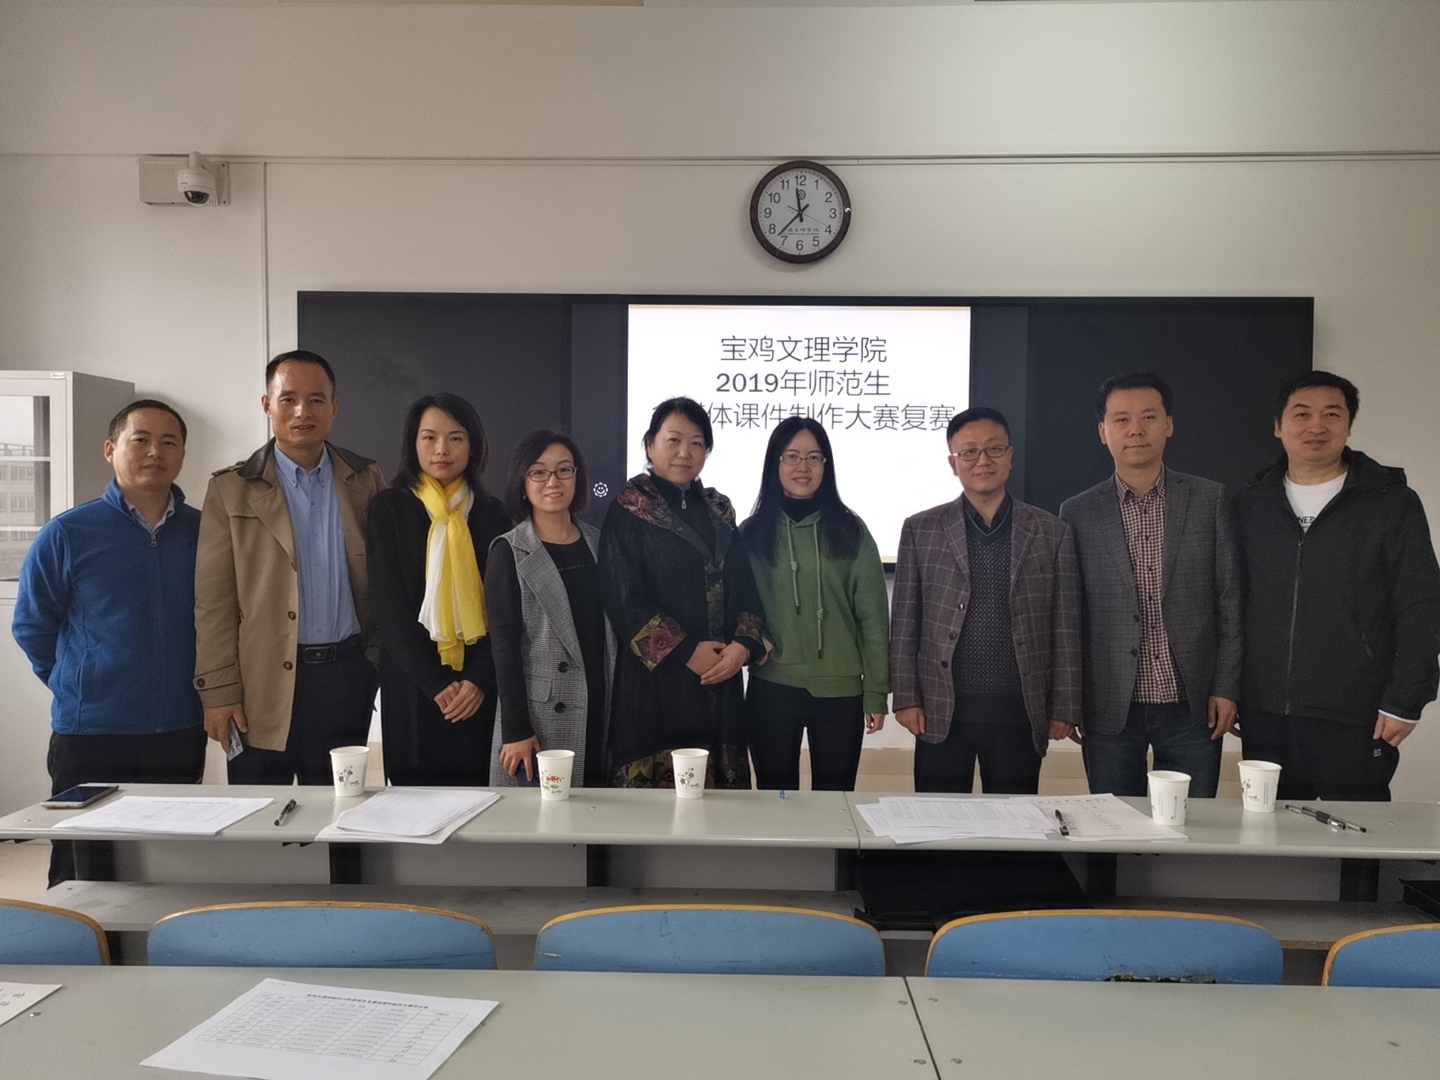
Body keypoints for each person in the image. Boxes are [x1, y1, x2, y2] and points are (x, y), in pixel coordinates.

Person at [13, 400, 205, 886]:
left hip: (179, 727)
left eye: (169, 442)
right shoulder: (68, 532)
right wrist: (77, 682)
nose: (155, 452)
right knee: (82, 868)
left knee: (170, 864)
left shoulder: (204, 532)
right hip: (91, 733)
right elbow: (32, 625)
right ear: (110, 449)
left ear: (182, 455)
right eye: (140, 439)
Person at [1233, 371, 1440, 801]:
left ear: (1348, 425)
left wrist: (1406, 699)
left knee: (1356, 832)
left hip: (1356, 712)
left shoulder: (1391, 503)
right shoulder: (1250, 503)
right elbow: (1231, 602)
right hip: (1265, 713)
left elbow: (1420, 604)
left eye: (1331, 414)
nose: (1317, 426)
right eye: (1302, 414)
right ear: (1278, 426)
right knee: (1273, 831)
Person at [194, 350, 385, 784]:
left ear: (334, 408)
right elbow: (213, 601)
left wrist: (373, 661)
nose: (303, 412)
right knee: (260, 812)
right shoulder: (230, 489)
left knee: (340, 811)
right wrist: (218, 690)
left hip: (346, 676)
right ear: (267, 405)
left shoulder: (365, 478)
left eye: (316, 400)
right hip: (259, 682)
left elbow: (387, 581)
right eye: (289, 399)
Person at [1059, 372, 1242, 798]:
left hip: (1193, 703)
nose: (1136, 430)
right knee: (1114, 823)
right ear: (1103, 432)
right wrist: (1070, 701)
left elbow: (1230, 600)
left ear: (1168, 424)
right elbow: (1070, 616)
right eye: (1121, 420)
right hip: (1109, 705)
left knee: (1191, 822)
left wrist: (1226, 687)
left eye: (1148, 417)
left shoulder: (1210, 500)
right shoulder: (1077, 512)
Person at [891, 406, 1081, 793]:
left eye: (994, 449)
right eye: (969, 452)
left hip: (1019, 711)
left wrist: (1064, 704)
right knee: (938, 821)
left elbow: (1065, 626)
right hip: (942, 710)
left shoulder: (1051, 531)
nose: (983, 460)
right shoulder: (921, 529)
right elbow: (906, 622)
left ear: (1010, 456)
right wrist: (906, 698)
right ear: (953, 463)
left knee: (1016, 822)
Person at [599, 397, 770, 789]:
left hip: (719, 680)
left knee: (720, 807)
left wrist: (743, 646)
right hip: (655, 686)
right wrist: (686, 650)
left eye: (696, 443)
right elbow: (622, 598)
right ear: (649, 445)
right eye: (673, 440)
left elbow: (745, 585)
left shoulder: (719, 510)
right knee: (654, 809)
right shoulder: (628, 510)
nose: (684, 452)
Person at [366, 394, 510, 786]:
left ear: (473, 445)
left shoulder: (494, 514)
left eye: (456, 438)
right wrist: (435, 683)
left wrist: (479, 680)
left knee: (480, 800)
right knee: (413, 801)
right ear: (413, 443)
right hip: (413, 682)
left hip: (477, 688)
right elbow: (389, 607)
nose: (441, 449)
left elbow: (505, 610)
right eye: (429, 437)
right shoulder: (388, 508)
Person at [740, 417, 889, 791]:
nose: (802, 467)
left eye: (814, 457)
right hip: (771, 687)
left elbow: (873, 617)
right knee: (776, 801)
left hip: (841, 694)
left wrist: (876, 692)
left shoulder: (851, 530)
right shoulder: (751, 533)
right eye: (791, 456)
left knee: (835, 803)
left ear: (827, 465)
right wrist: (754, 640)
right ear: (774, 464)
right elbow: (732, 604)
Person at [486, 430, 615, 788]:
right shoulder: (509, 550)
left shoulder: (599, 543)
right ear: (522, 481)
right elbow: (504, 647)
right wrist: (516, 729)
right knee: (544, 818)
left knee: (596, 812)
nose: (553, 482)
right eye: (539, 472)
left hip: (598, 703)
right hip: (541, 717)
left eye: (564, 470)